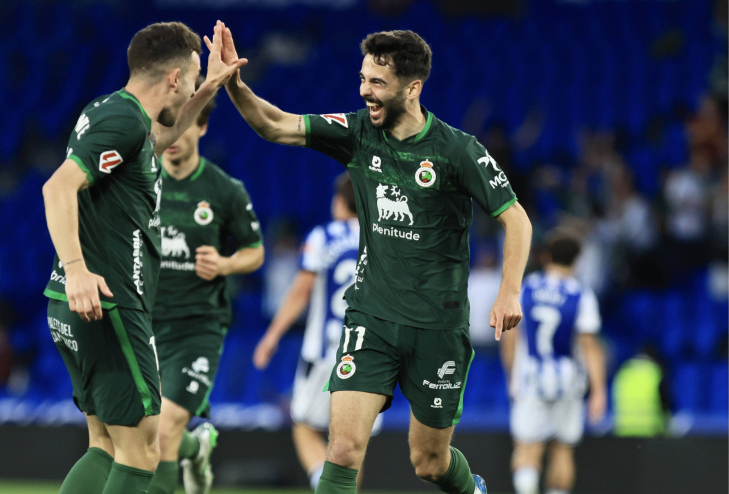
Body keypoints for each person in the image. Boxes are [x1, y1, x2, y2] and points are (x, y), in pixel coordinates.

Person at [224, 26, 532, 494]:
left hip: (437, 326)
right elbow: (276, 124)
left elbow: (518, 221)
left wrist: (509, 291)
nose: (364, 91)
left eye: (377, 83)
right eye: (363, 78)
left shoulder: (457, 150)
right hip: (371, 316)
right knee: (343, 448)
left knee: (428, 462)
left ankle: (472, 489)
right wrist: (235, 86)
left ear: (413, 88)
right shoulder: (357, 132)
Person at [41, 21, 246, 494]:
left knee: (105, 444)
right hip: (109, 297)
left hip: (78, 302)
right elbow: (58, 187)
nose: (195, 86)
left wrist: (213, 85)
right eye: (194, 76)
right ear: (173, 78)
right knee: (143, 450)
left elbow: (154, 145)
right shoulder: (124, 120)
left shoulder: (113, 113)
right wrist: (77, 270)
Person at [147, 77, 264, 494]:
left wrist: (226, 262)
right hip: (143, 324)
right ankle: (196, 448)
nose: (173, 133)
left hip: (197, 327)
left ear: (202, 127)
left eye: (185, 122)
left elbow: (255, 251)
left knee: (162, 430)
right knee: (143, 436)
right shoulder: (140, 182)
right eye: (166, 123)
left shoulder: (224, 190)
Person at [254, 172, 382, 492]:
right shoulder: (384, 239)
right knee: (354, 442)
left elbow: (301, 291)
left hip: (325, 350)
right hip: (371, 355)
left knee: (303, 426)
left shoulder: (323, 237)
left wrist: (271, 336)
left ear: (340, 202)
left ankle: (320, 482)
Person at [500, 234, 606, 494]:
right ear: (577, 261)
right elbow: (589, 347)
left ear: (546, 256)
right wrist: (599, 391)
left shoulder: (527, 289)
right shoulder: (581, 295)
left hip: (531, 377)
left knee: (527, 447)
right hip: (569, 380)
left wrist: (512, 375)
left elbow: (510, 337)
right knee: (562, 450)